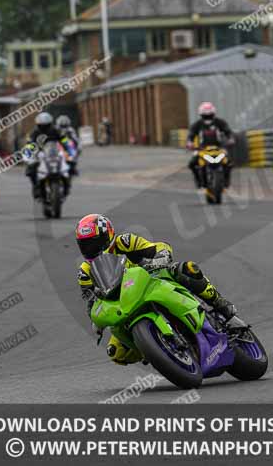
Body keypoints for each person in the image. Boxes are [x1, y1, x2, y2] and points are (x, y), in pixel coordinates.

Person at [75, 213, 237, 365]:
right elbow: (90, 301)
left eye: (94, 242)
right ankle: (158, 348)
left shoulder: (124, 242)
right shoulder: (85, 271)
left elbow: (157, 247)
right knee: (116, 353)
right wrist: (95, 320)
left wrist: (162, 255)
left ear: (107, 235)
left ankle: (222, 306)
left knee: (187, 269)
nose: (91, 249)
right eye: (85, 245)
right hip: (124, 305)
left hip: (152, 280)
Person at [186, 102, 234, 188]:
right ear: (201, 114)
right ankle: (198, 180)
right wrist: (190, 143)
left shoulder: (220, 122)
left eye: (210, 115)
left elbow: (228, 131)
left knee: (229, 163)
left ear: (213, 113)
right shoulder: (197, 124)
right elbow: (191, 135)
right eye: (205, 115)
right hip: (201, 149)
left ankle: (226, 180)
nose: (208, 117)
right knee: (192, 163)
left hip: (219, 148)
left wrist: (230, 139)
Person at [24, 112, 66, 198]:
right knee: (31, 167)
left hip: (54, 153)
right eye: (42, 125)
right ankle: (36, 186)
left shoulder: (56, 130)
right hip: (40, 154)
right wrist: (28, 154)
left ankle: (66, 184)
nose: (44, 127)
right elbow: (29, 143)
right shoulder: (34, 132)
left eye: (46, 125)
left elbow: (65, 140)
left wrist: (70, 149)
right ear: (38, 124)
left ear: (50, 124)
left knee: (67, 165)